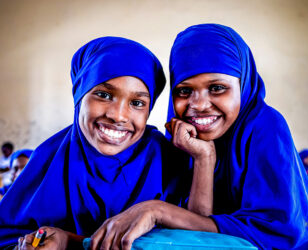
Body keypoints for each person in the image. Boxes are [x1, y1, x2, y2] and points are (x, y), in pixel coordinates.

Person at [0, 36, 181, 249]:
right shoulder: (46, 160)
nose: (118, 116)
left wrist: (70, 242)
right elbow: (7, 236)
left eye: (137, 103)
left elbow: (196, 238)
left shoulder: (166, 160)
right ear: (79, 96)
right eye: (103, 95)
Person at [165, 24, 308, 249]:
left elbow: (277, 233)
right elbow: (196, 239)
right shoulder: (181, 140)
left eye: (217, 88)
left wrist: (159, 212)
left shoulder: (265, 126)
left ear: (243, 84)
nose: (199, 105)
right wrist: (204, 159)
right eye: (184, 90)